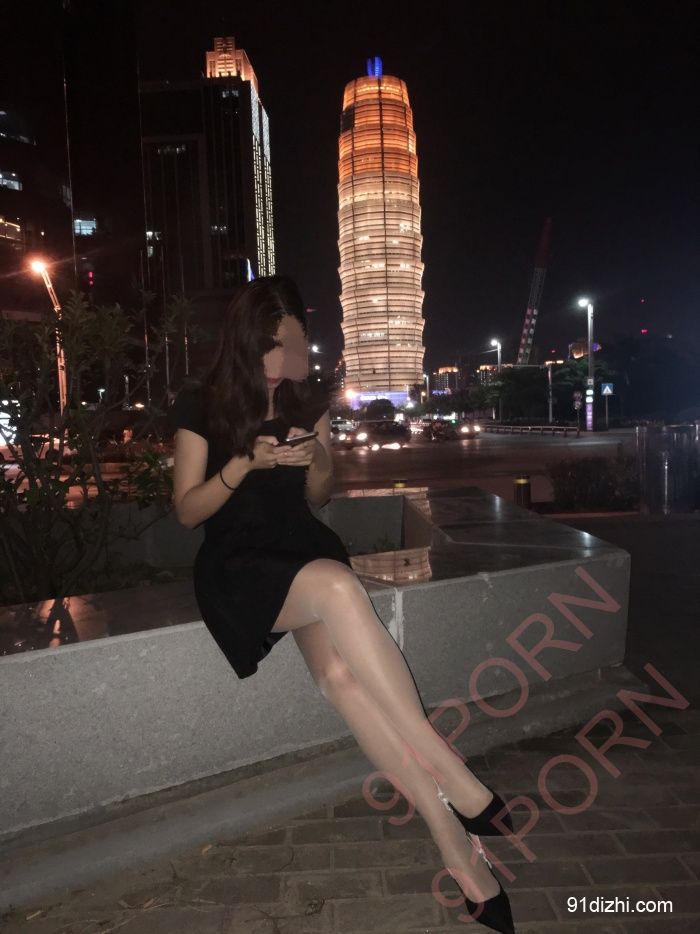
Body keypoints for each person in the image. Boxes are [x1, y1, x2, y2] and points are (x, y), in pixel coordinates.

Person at [169, 275, 515, 933]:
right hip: (239, 566)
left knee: (341, 680)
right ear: (248, 342)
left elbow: (320, 495)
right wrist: (244, 463)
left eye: (296, 342)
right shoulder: (201, 404)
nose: (288, 357)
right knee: (336, 586)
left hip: (300, 548)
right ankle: (454, 774)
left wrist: (315, 457)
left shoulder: (309, 399)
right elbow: (187, 511)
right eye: (276, 344)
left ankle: (456, 849)